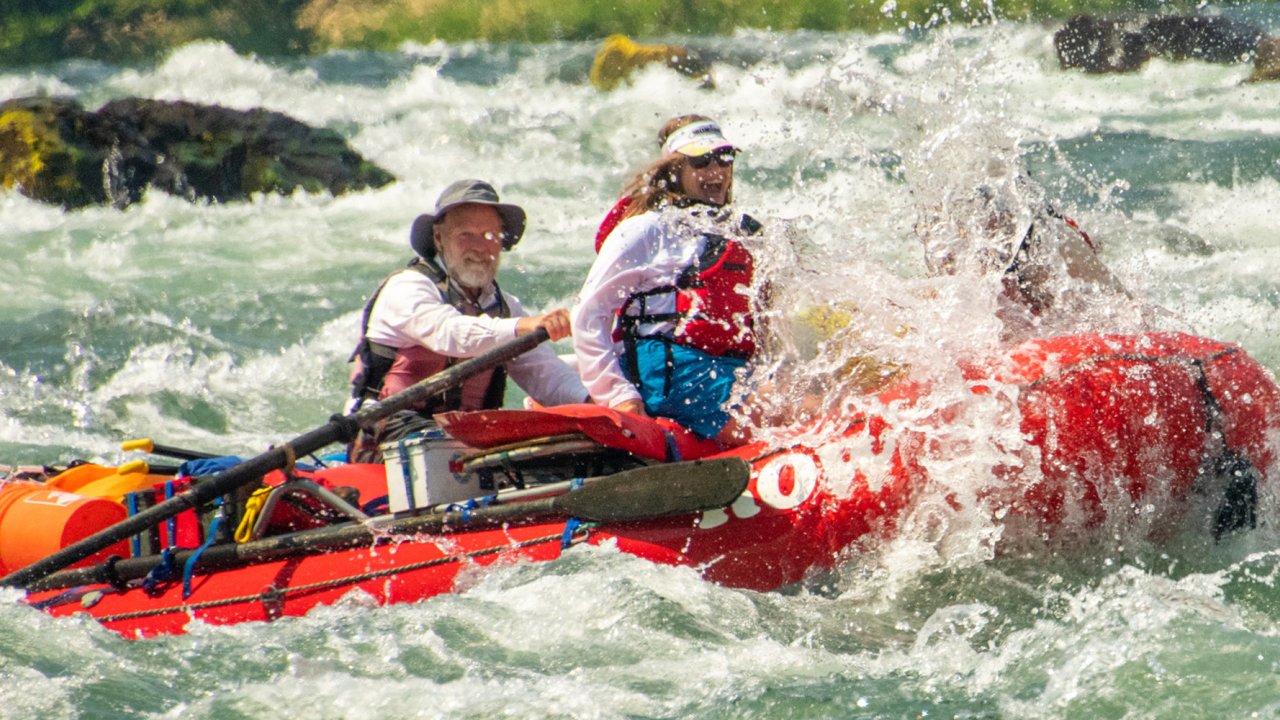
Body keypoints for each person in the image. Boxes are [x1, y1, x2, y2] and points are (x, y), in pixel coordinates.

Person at [347, 179, 588, 463]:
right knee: (458, 448)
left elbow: (547, 376)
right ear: (439, 239)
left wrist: (596, 405)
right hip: (385, 432)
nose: (480, 247)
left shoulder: (507, 307)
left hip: (467, 436)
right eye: (466, 235)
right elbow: (451, 333)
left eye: (490, 235)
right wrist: (524, 326)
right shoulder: (408, 287)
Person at [572, 116, 763, 446]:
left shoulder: (744, 233)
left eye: (725, 158)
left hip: (729, 370)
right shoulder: (646, 230)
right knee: (795, 408)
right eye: (701, 162)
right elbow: (588, 316)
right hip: (675, 375)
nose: (716, 171)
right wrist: (619, 395)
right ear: (675, 171)